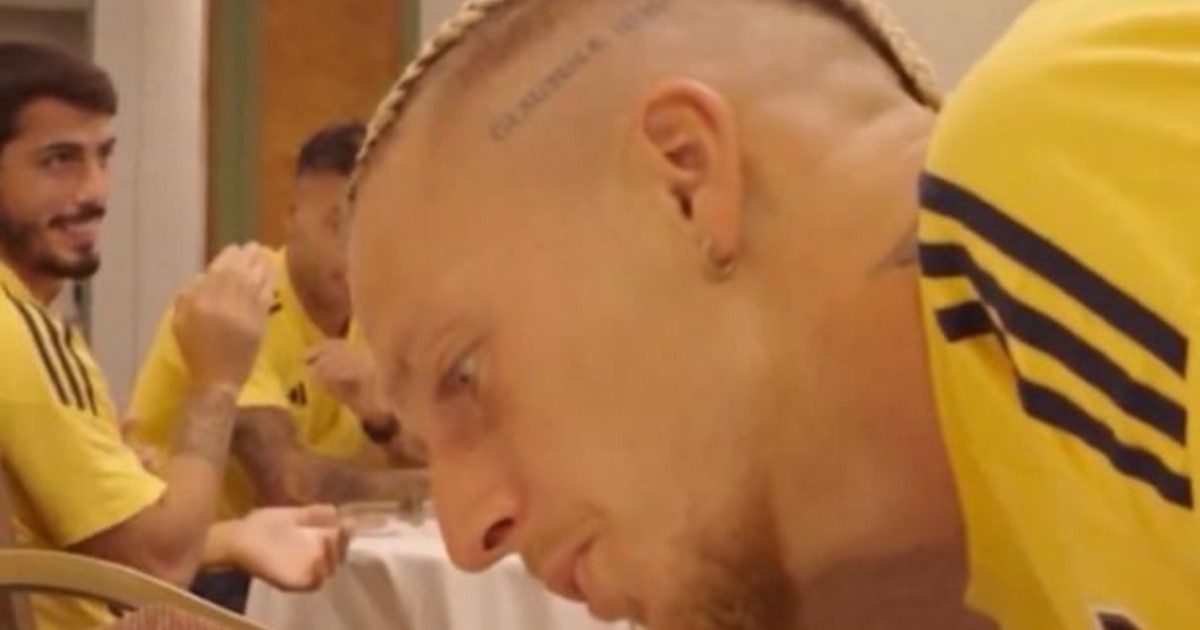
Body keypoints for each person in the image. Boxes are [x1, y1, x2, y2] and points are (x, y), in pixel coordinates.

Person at [343, 0, 1200, 629]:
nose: (468, 535)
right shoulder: (1032, 565)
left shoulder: (1066, 148)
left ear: (683, 181)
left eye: (464, 373)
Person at [0, 42, 347, 629]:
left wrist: (233, 536)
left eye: (103, 157)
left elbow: (96, 546)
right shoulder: (16, 329)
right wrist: (216, 381)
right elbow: (158, 562)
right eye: (59, 161)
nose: (95, 191)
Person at [129, 122, 426, 609]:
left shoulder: (380, 314)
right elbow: (291, 487)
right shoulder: (239, 302)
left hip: (310, 562)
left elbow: (443, 450)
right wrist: (434, 490)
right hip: (194, 572)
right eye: (336, 224)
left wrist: (383, 421)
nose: (355, 248)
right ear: (292, 218)